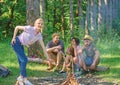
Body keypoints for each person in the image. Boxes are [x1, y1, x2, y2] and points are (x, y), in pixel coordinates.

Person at [11, 18, 49, 85]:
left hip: (21, 45)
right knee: (24, 60)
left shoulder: (39, 36)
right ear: (35, 24)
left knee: (22, 62)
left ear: (43, 26)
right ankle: (21, 78)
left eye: (41, 24)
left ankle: (24, 79)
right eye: (38, 23)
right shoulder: (29, 28)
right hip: (16, 43)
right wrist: (13, 37)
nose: (40, 25)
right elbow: (17, 27)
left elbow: (43, 48)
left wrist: (48, 58)